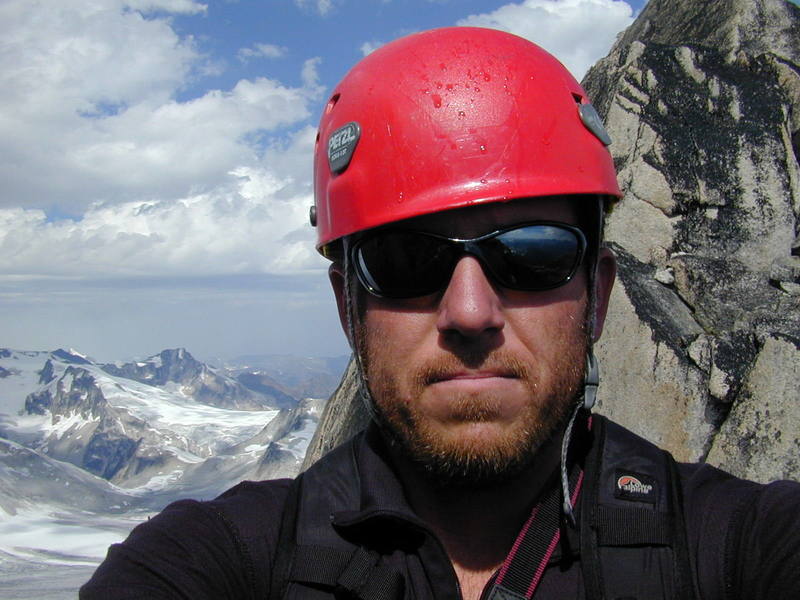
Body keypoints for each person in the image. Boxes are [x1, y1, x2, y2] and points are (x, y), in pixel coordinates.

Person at [81, 27, 800, 599]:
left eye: (534, 252)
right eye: (404, 262)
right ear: (347, 306)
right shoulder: (221, 559)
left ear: (600, 292)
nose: (469, 310)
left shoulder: (735, 545)